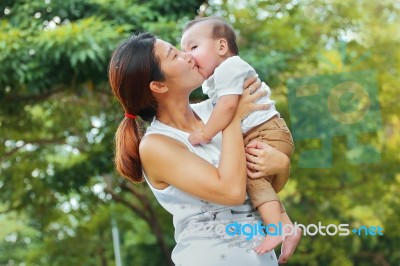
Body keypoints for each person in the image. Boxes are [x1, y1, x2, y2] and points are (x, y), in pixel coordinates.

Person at [108, 32, 296, 265]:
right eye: (174, 55)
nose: (187, 56)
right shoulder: (156, 145)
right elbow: (231, 191)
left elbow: (259, 181)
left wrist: (283, 167)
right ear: (158, 85)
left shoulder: (216, 109)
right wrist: (233, 118)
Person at [180, 16, 301, 257]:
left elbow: (227, 108)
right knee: (259, 180)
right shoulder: (217, 78)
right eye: (184, 51)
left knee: (253, 177)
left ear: (222, 47)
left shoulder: (229, 68)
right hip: (263, 132)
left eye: (193, 47)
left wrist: (205, 133)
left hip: (267, 131)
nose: (188, 56)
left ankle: (275, 230)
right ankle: (287, 226)